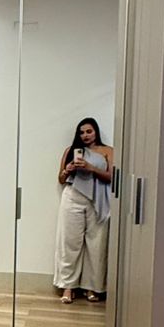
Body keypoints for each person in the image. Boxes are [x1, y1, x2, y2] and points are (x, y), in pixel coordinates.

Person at [54, 117, 113, 304]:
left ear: (95, 131)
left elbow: (111, 177)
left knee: (97, 245)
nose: (85, 135)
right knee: (69, 243)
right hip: (73, 196)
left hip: (98, 200)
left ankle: (93, 287)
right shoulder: (70, 150)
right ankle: (68, 287)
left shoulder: (108, 151)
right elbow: (61, 179)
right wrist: (68, 170)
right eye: (81, 132)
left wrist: (91, 168)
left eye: (89, 131)